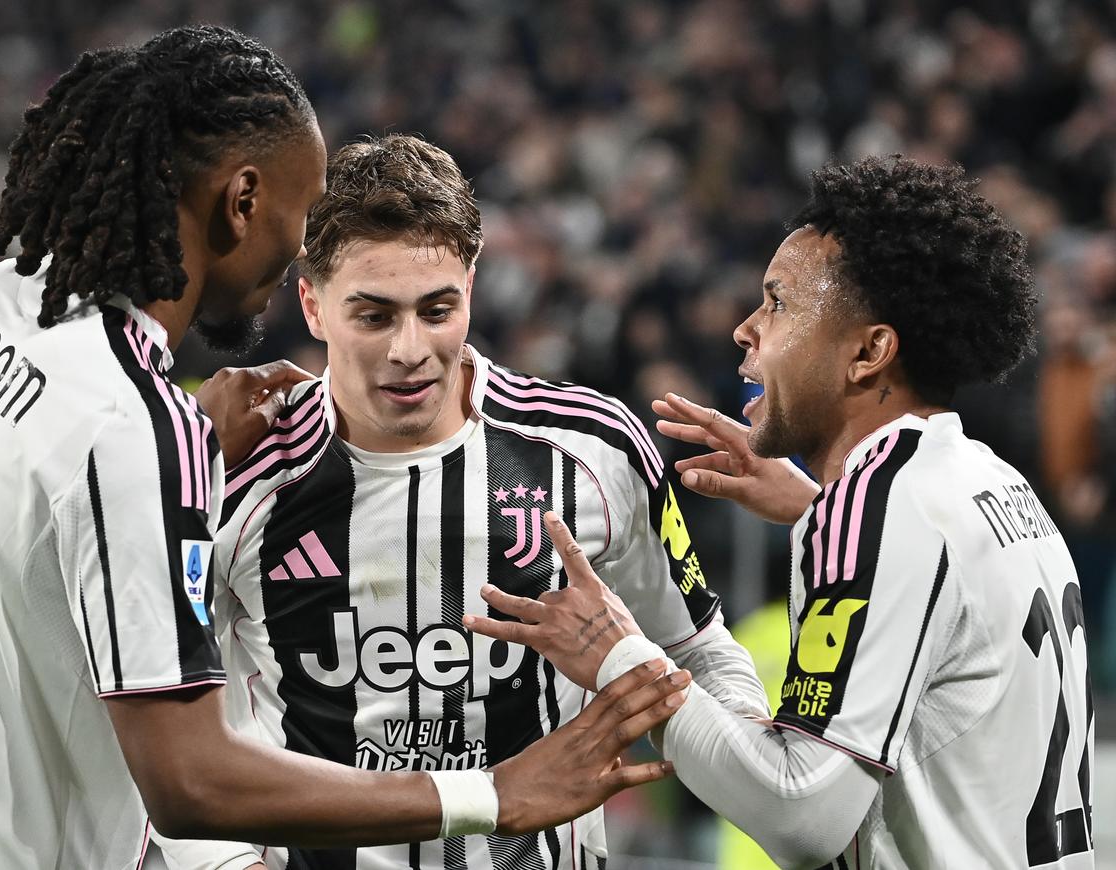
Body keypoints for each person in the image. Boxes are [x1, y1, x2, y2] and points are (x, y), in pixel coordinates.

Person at [0, 27, 686, 870]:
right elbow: (190, 784)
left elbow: (38, 503)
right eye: (302, 208)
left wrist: (189, 444)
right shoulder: (133, 428)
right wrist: (496, 794)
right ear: (242, 200)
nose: (296, 252)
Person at [156, 133, 766, 870]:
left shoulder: (593, 447)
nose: (410, 348)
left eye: (436, 309)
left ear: (471, 291)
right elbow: (162, 728)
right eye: (374, 315)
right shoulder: (234, 473)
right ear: (313, 307)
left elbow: (696, 648)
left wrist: (762, 781)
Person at [467, 156, 1096, 868]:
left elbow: (803, 815)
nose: (745, 328)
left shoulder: (884, 506)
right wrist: (822, 512)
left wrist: (618, 655)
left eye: (778, 304)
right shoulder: (986, 481)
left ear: (868, 352)